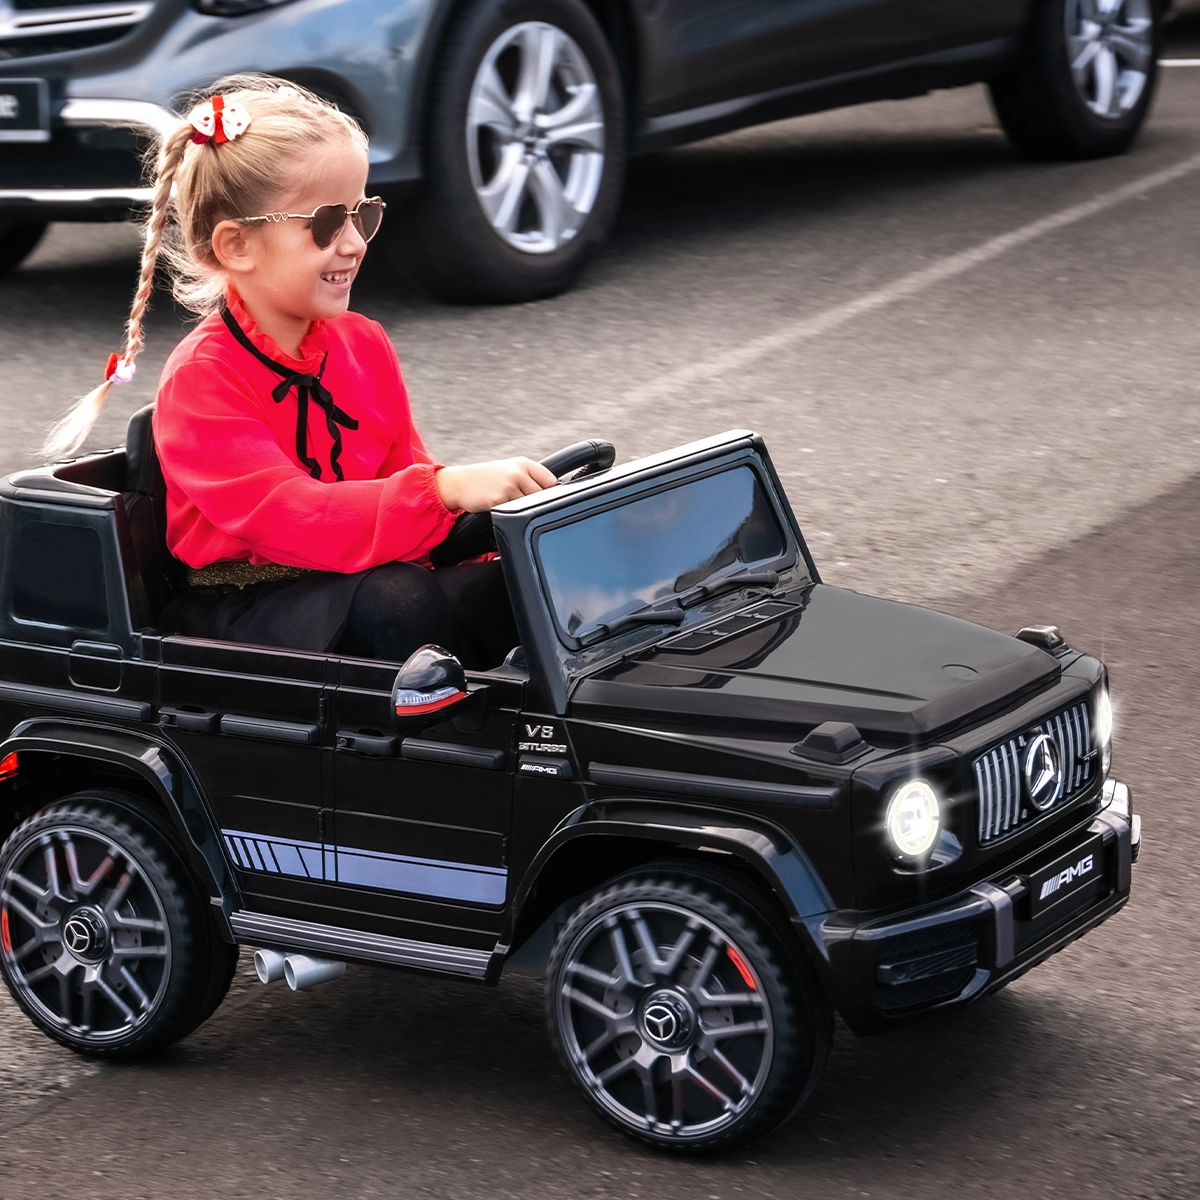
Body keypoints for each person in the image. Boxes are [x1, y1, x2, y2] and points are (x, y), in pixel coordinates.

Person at [44, 75, 556, 668]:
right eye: (326, 222)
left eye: (364, 214)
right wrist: (442, 490)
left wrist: (495, 517)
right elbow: (290, 515)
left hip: (356, 574)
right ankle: (434, 744)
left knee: (520, 571)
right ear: (237, 246)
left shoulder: (363, 342)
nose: (354, 243)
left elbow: (403, 477)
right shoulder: (202, 379)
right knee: (397, 598)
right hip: (243, 604)